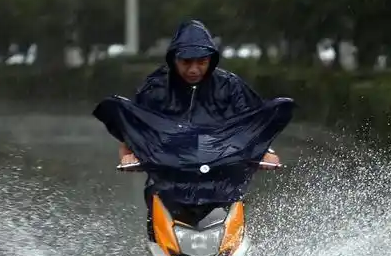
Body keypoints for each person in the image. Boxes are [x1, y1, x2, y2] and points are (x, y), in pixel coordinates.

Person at [115, 20, 280, 240]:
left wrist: (265, 151)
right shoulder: (155, 88)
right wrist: (128, 154)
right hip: (169, 179)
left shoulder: (230, 86)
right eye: (186, 62)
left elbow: (253, 123)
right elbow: (134, 125)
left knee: (235, 219)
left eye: (201, 62)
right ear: (174, 59)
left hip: (222, 178)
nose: (194, 69)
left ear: (211, 60)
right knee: (157, 211)